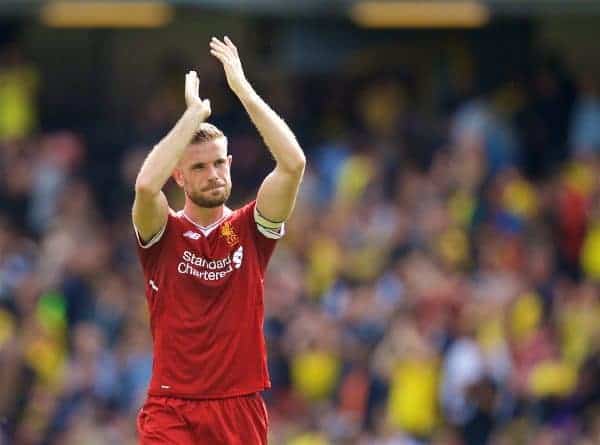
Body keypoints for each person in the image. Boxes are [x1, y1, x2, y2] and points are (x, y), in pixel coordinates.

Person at [132, 36, 306, 444]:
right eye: (198, 167)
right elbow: (144, 187)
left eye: (218, 163)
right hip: (171, 407)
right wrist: (192, 116)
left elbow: (293, 164)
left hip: (238, 406)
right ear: (179, 177)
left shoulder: (249, 229)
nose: (213, 174)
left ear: (229, 164)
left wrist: (242, 89)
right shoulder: (164, 233)